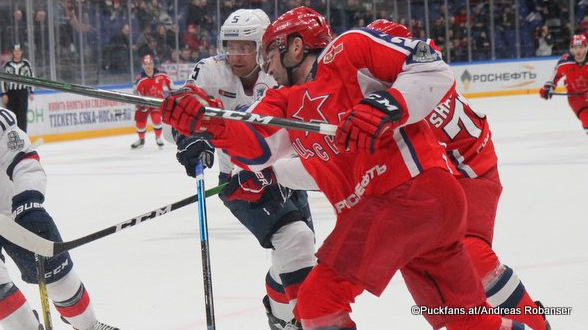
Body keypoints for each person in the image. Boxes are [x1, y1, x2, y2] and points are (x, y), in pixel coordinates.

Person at [161, 7, 527, 330]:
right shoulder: (282, 100)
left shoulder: (348, 50)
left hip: (408, 194)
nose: (267, 64)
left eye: (270, 52)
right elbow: (258, 147)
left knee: (317, 302)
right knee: (467, 320)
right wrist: (209, 124)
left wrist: (388, 103)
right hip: (421, 211)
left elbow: (429, 65)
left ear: (296, 45)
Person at [368, 19, 550, 330]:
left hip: (471, 171)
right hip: (456, 169)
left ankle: (532, 322)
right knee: (427, 267)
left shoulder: (414, 90)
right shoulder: (418, 71)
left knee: (471, 256)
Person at [171, 9, 316, 329]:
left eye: (246, 47)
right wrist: (189, 138)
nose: (236, 55)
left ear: (263, 46)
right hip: (241, 178)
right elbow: (178, 110)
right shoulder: (209, 71)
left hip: (286, 172)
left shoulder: (279, 70)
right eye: (231, 46)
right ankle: (294, 321)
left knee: (299, 254)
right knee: (296, 241)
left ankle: (280, 315)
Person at [0, 107, 118, 330]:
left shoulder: (1, 122)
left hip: (12, 212)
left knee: (60, 278)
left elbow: (24, 160)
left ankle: (88, 326)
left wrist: (28, 201)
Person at [541, 34, 588, 135]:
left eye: (581, 47)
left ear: (585, 47)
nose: (578, 51)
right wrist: (548, 88)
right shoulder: (565, 62)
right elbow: (555, 77)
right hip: (576, 99)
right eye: (575, 48)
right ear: (571, 49)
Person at [131, 54, 173, 149]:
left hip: (156, 102)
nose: (148, 66)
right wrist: (139, 103)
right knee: (140, 122)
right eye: (146, 64)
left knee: (157, 119)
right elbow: (135, 91)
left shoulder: (161, 74)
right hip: (143, 103)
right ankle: (141, 140)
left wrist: (173, 93)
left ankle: (158, 138)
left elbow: (171, 84)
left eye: (150, 64)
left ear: (153, 64)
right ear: (143, 66)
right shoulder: (140, 79)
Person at [1, 43, 34, 132]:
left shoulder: (26, 64)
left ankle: (23, 137)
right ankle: (12, 138)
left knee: (22, 116)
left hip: (22, 93)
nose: (17, 53)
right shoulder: (7, 65)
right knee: (11, 117)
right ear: (13, 52)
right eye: (15, 51)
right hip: (11, 93)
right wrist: (4, 93)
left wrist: (31, 92)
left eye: (18, 51)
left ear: (21, 52)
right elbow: (3, 80)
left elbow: (31, 78)